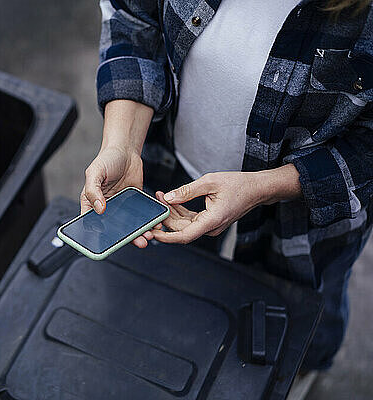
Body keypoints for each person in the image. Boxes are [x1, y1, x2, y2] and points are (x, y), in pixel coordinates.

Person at [82, 0, 373, 373]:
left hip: (305, 213)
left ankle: (293, 376)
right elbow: (135, 18)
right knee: (166, 291)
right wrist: (121, 143)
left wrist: (267, 186)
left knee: (292, 329)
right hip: (166, 163)